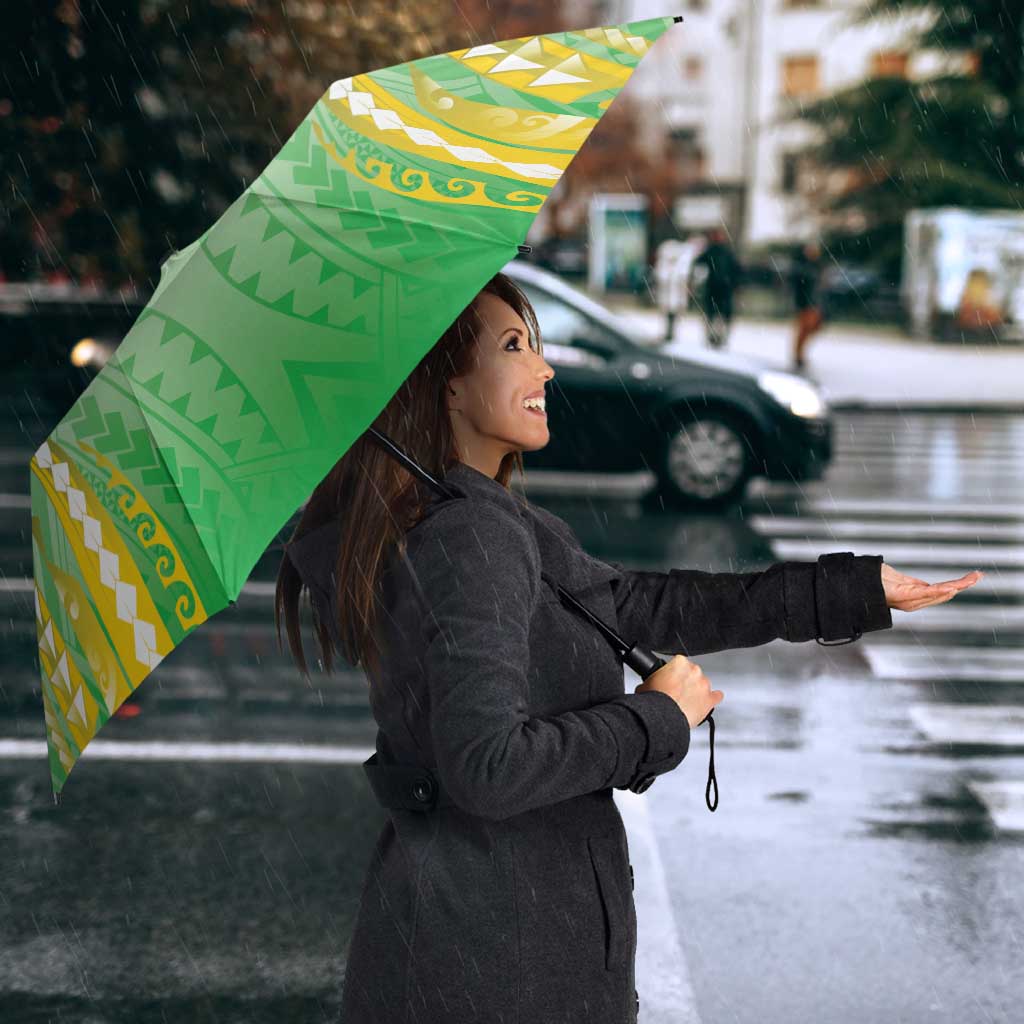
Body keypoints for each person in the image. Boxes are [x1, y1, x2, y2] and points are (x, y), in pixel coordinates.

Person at [276, 272, 982, 1024]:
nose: (544, 368)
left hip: (478, 944)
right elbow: (487, 767)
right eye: (514, 346)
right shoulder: (470, 537)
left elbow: (644, 606)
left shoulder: (479, 520)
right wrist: (655, 719)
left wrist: (848, 590)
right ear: (446, 388)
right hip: (497, 963)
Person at [692, 226, 742, 349]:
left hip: (723, 288)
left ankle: (719, 337)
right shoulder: (712, 251)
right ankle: (713, 337)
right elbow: (698, 264)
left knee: (720, 315)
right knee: (713, 314)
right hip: (715, 288)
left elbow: (736, 270)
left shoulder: (725, 252)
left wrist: (735, 284)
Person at [790, 239, 826, 370]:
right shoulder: (802, 267)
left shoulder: (817, 266)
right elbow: (799, 286)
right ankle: (798, 355)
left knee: (812, 328)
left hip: (814, 303)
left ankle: (799, 354)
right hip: (805, 303)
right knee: (804, 329)